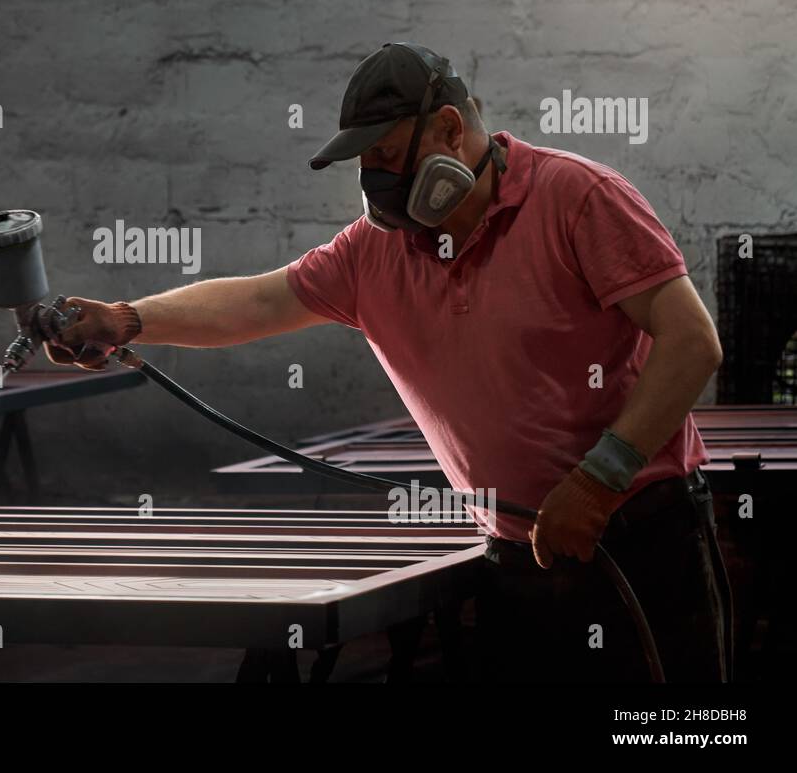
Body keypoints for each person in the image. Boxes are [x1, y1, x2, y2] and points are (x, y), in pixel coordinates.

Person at [44, 41, 730, 682]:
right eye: (365, 165)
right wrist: (128, 318)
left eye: (391, 154)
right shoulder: (373, 253)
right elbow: (256, 303)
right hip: (515, 552)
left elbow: (691, 341)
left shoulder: (578, 198)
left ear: (450, 131)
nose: (377, 182)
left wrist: (599, 481)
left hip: (639, 537)